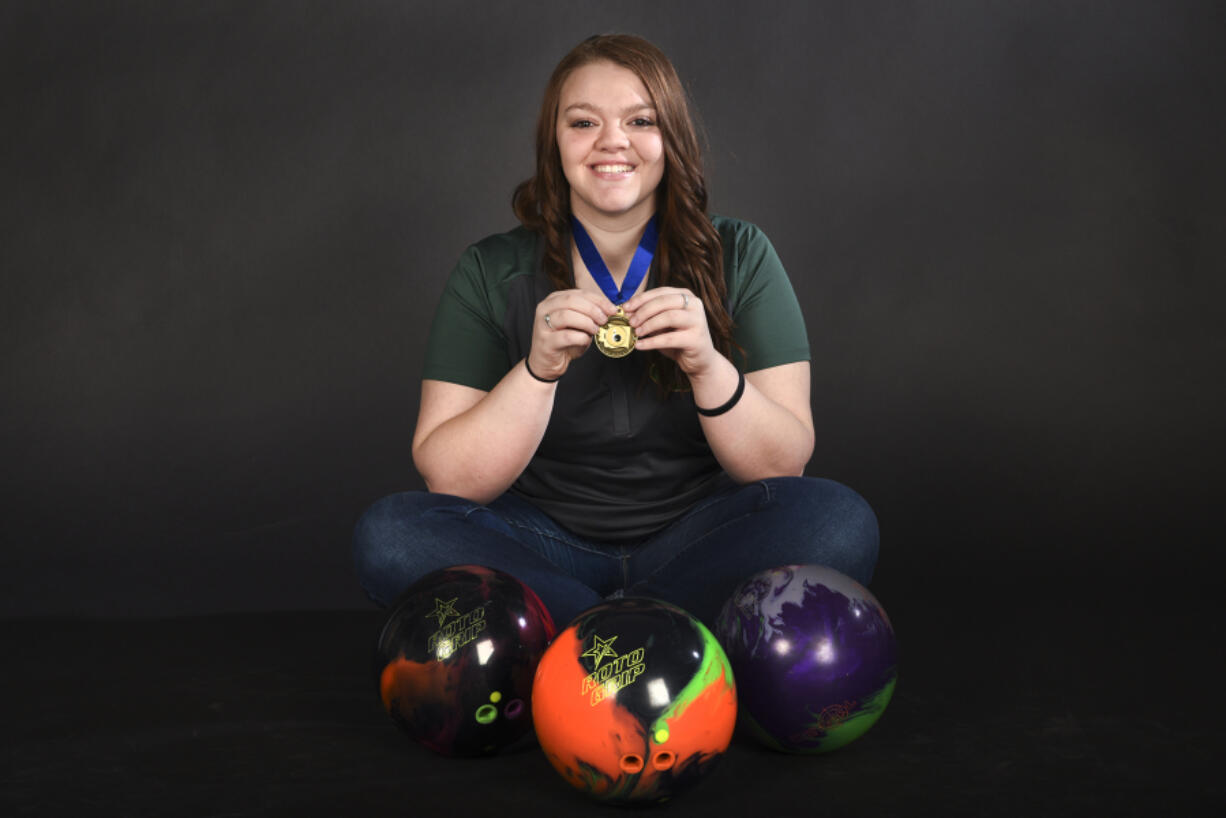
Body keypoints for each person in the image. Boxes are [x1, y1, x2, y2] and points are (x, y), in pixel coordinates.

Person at [353, 34, 878, 628]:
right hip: (539, 542)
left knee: (839, 520)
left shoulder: (742, 253)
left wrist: (708, 364)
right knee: (390, 535)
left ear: (670, 137)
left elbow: (783, 464)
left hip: (699, 536)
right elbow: (446, 477)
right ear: (555, 141)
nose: (612, 141)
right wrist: (536, 372)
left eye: (641, 120)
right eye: (583, 122)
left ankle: (578, 628)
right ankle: (646, 626)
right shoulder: (490, 268)